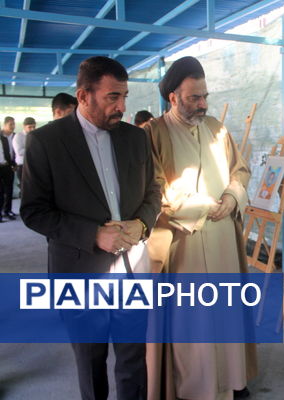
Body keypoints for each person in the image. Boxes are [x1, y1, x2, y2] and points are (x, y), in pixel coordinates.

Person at [20, 56, 161, 400]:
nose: (122, 107)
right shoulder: (46, 142)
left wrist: (142, 224)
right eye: (112, 97)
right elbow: (34, 211)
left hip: (132, 270)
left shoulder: (135, 138)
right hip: (80, 271)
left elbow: (154, 190)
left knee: (133, 360)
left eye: (125, 96)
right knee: (91, 361)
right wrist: (94, 234)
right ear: (83, 96)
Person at [144, 56, 256, 400]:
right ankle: (193, 390)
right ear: (172, 97)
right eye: (194, 97)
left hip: (223, 240)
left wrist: (232, 198)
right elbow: (152, 187)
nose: (203, 104)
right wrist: (203, 205)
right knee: (192, 323)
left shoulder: (217, 129)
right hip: (182, 245)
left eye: (205, 95)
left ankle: (229, 385)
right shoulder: (151, 134)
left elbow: (241, 170)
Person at [12, 117, 36, 191]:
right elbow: (19, 152)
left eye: (34, 127)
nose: (32, 129)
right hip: (22, 166)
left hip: (34, 165)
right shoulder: (18, 136)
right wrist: (33, 149)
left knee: (34, 188)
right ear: (24, 126)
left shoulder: (35, 135)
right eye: (30, 127)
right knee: (25, 189)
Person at [1, 116, 16, 219]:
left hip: (8, 167)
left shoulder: (15, 136)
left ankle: (8, 211)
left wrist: (14, 164)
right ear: (4, 125)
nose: (13, 126)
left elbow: (14, 153)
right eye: (10, 124)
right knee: (0, 191)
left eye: (13, 124)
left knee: (9, 189)